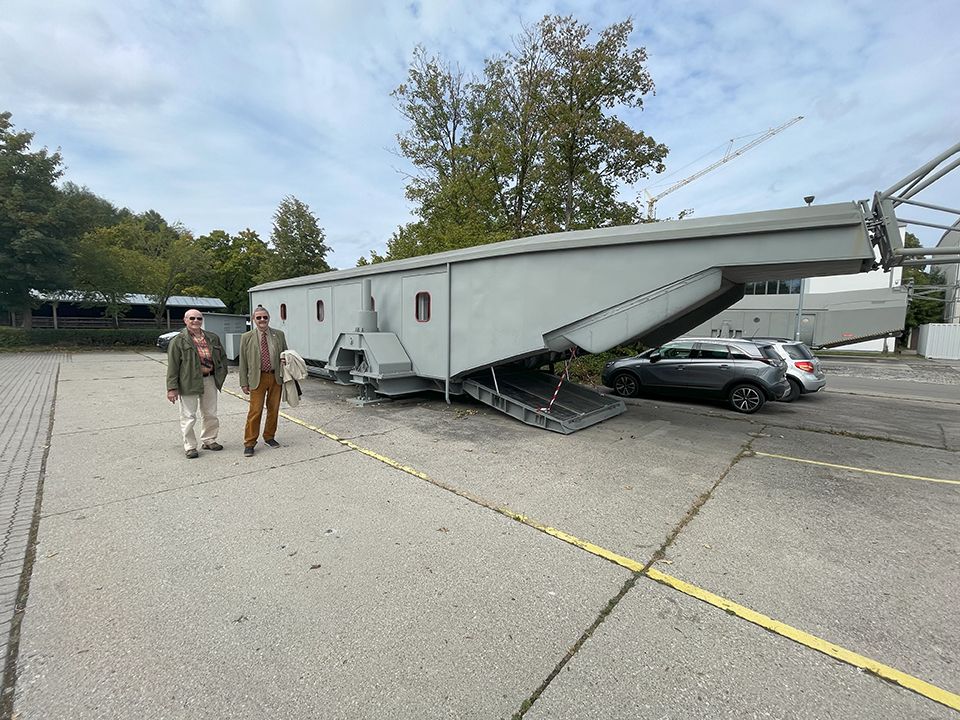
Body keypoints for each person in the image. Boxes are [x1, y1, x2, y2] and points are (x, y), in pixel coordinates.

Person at [166, 309, 228, 458]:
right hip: (189, 382)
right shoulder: (178, 340)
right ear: (185, 320)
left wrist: (221, 373)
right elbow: (173, 366)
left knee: (210, 413)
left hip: (210, 379)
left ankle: (209, 440)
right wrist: (172, 388)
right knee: (188, 416)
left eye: (199, 318)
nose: (196, 321)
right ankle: (190, 446)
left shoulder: (212, 338)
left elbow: (223, 357)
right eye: (192, 318)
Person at [239, 306, 288, 457]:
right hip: (257, 378)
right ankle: (250, 442)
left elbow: (286, 353)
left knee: (273, 409)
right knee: (255, 411)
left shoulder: (278, 335)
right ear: (254, 319)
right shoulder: (246, 337)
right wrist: (243, 382)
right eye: (258, 317)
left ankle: (269, 437)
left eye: (264, 317)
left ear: (269, 318)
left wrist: (286, 364)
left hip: (275, 377)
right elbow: (243, 361)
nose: (262, 320)